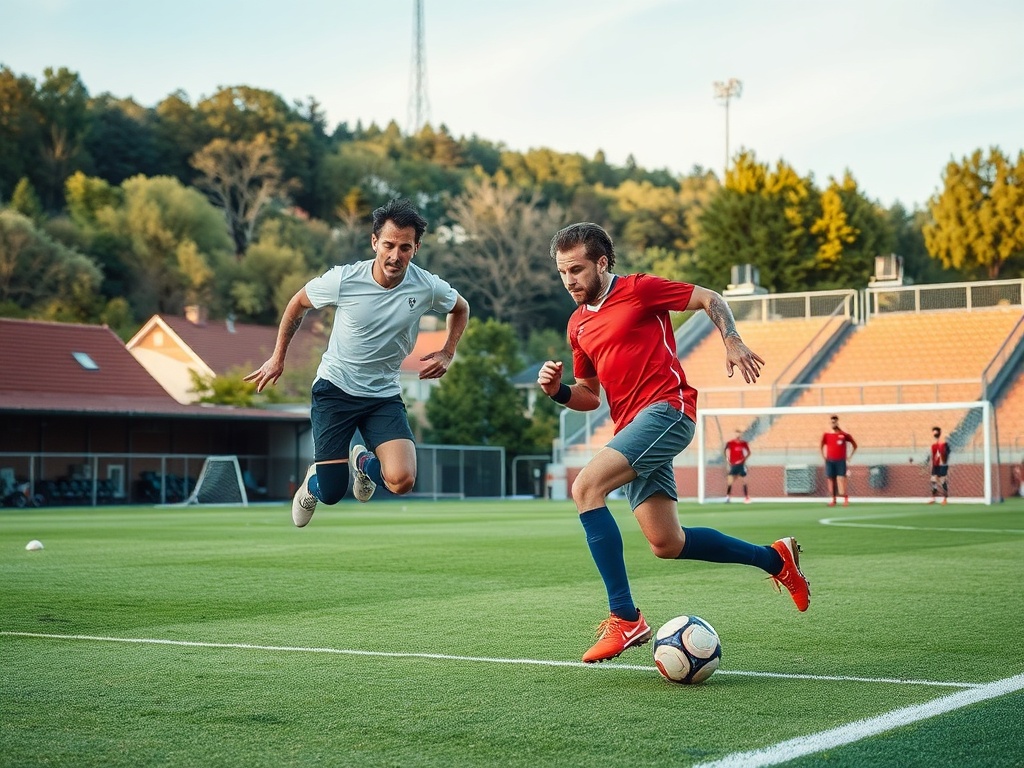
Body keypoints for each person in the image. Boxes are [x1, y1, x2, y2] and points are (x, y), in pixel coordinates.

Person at [536, 222, 810, 665]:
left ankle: (626, 619)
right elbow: (590, 395)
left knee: (586, 487)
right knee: (668, 543)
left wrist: (732, 340)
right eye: (562, 272)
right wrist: (558, 392)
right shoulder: (576, 326)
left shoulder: (641, 290)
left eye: (577, 269)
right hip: (632, 429)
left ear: (602, 263)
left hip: (668, 410)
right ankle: (775, 559)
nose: (569, 280)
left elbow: (709, 298)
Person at [245, 198, 470, 526]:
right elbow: (298, 303)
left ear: (416, 248)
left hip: (383, 396)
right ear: (374, 242)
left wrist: (448, 352)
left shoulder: (426, 286)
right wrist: (278, 357)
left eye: (405, 247)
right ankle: (312, 485)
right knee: (333, 492)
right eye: (389, 245)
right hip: (335, 391)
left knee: (402, 480)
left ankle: (363, 463)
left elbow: (460, 308)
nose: (395, 256)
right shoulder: (344, 280)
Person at [821, 415, 857, 507]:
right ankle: (833, 499)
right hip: (830, 461)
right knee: (831, 480)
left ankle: (845, 498)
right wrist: (824, 457)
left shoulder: (843, 435)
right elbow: (821, 446)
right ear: (830, 423)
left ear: (837, 422)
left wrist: (849, 456)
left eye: (835, 421)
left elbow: (854, 444)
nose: (833, 423)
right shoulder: (826, 435)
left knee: (841, 479)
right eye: (832, 422)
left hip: (840, 461)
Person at [723, 428, 752, 503]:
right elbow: (725, 450)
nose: (737, 435)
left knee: (744, 481)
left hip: (741, 465)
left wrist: (743, 460)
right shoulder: (730, 443)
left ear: (741, 435)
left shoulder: (744, 443)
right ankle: (727, 497)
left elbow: (749, 453)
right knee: (730, 481)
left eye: (739, 434)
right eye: (736, 433)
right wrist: (727, 459)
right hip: (733, 465)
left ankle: (746, 497)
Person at [928, 426, 950, 504]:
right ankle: (934, 497)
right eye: (933, 432)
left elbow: (946, 453)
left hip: (942, 465)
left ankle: (945, 499)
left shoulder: (944, 443)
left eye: (936, 432)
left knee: (943, 481)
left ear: (939, 432)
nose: (934, 434)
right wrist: (931, 464)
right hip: (935, 465)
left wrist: (944, 462)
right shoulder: (934, 445)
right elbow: (933, 455)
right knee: (933, 480)